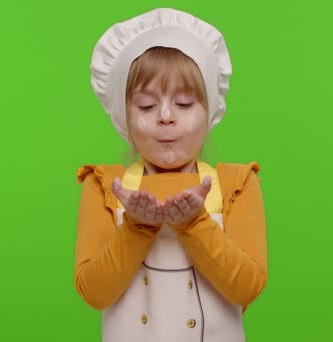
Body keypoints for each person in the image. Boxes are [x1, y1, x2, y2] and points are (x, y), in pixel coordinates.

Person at [75, 8, 268, 342]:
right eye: (147, 106)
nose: (166, 117)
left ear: (209, 111)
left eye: (184, 103)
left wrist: (195, 223)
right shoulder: (105, 186)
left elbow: (246, 288)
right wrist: (137, 227)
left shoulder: (236, 184)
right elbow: (95, 293)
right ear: (124, 115)